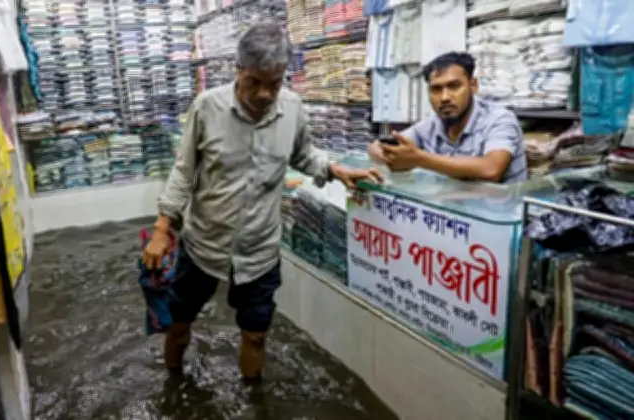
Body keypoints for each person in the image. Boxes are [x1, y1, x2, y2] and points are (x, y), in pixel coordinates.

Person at [142, 22, 383, 382]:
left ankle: (254, 398)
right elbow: (184, 172)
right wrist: (163, 228)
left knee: (255, 336)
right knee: (178, 327)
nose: (266, 94)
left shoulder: (293, 108)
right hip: (204, 245)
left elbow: (303, 155)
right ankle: (173, 387)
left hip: (260, 252)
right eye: (255, 82)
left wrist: (334, 169)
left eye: (275, 83)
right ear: (238, 70)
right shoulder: (207, 108)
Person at [369, 51, 527, 183]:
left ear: (473, 86)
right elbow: (376, 147)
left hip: (500, 216)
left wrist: (418, 159)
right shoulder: (430, 126)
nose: (444, 97)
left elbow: (491, 169)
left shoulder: (499, 119)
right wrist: (385, 152)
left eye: (454, 86)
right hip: (454, 214)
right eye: (436, 89)